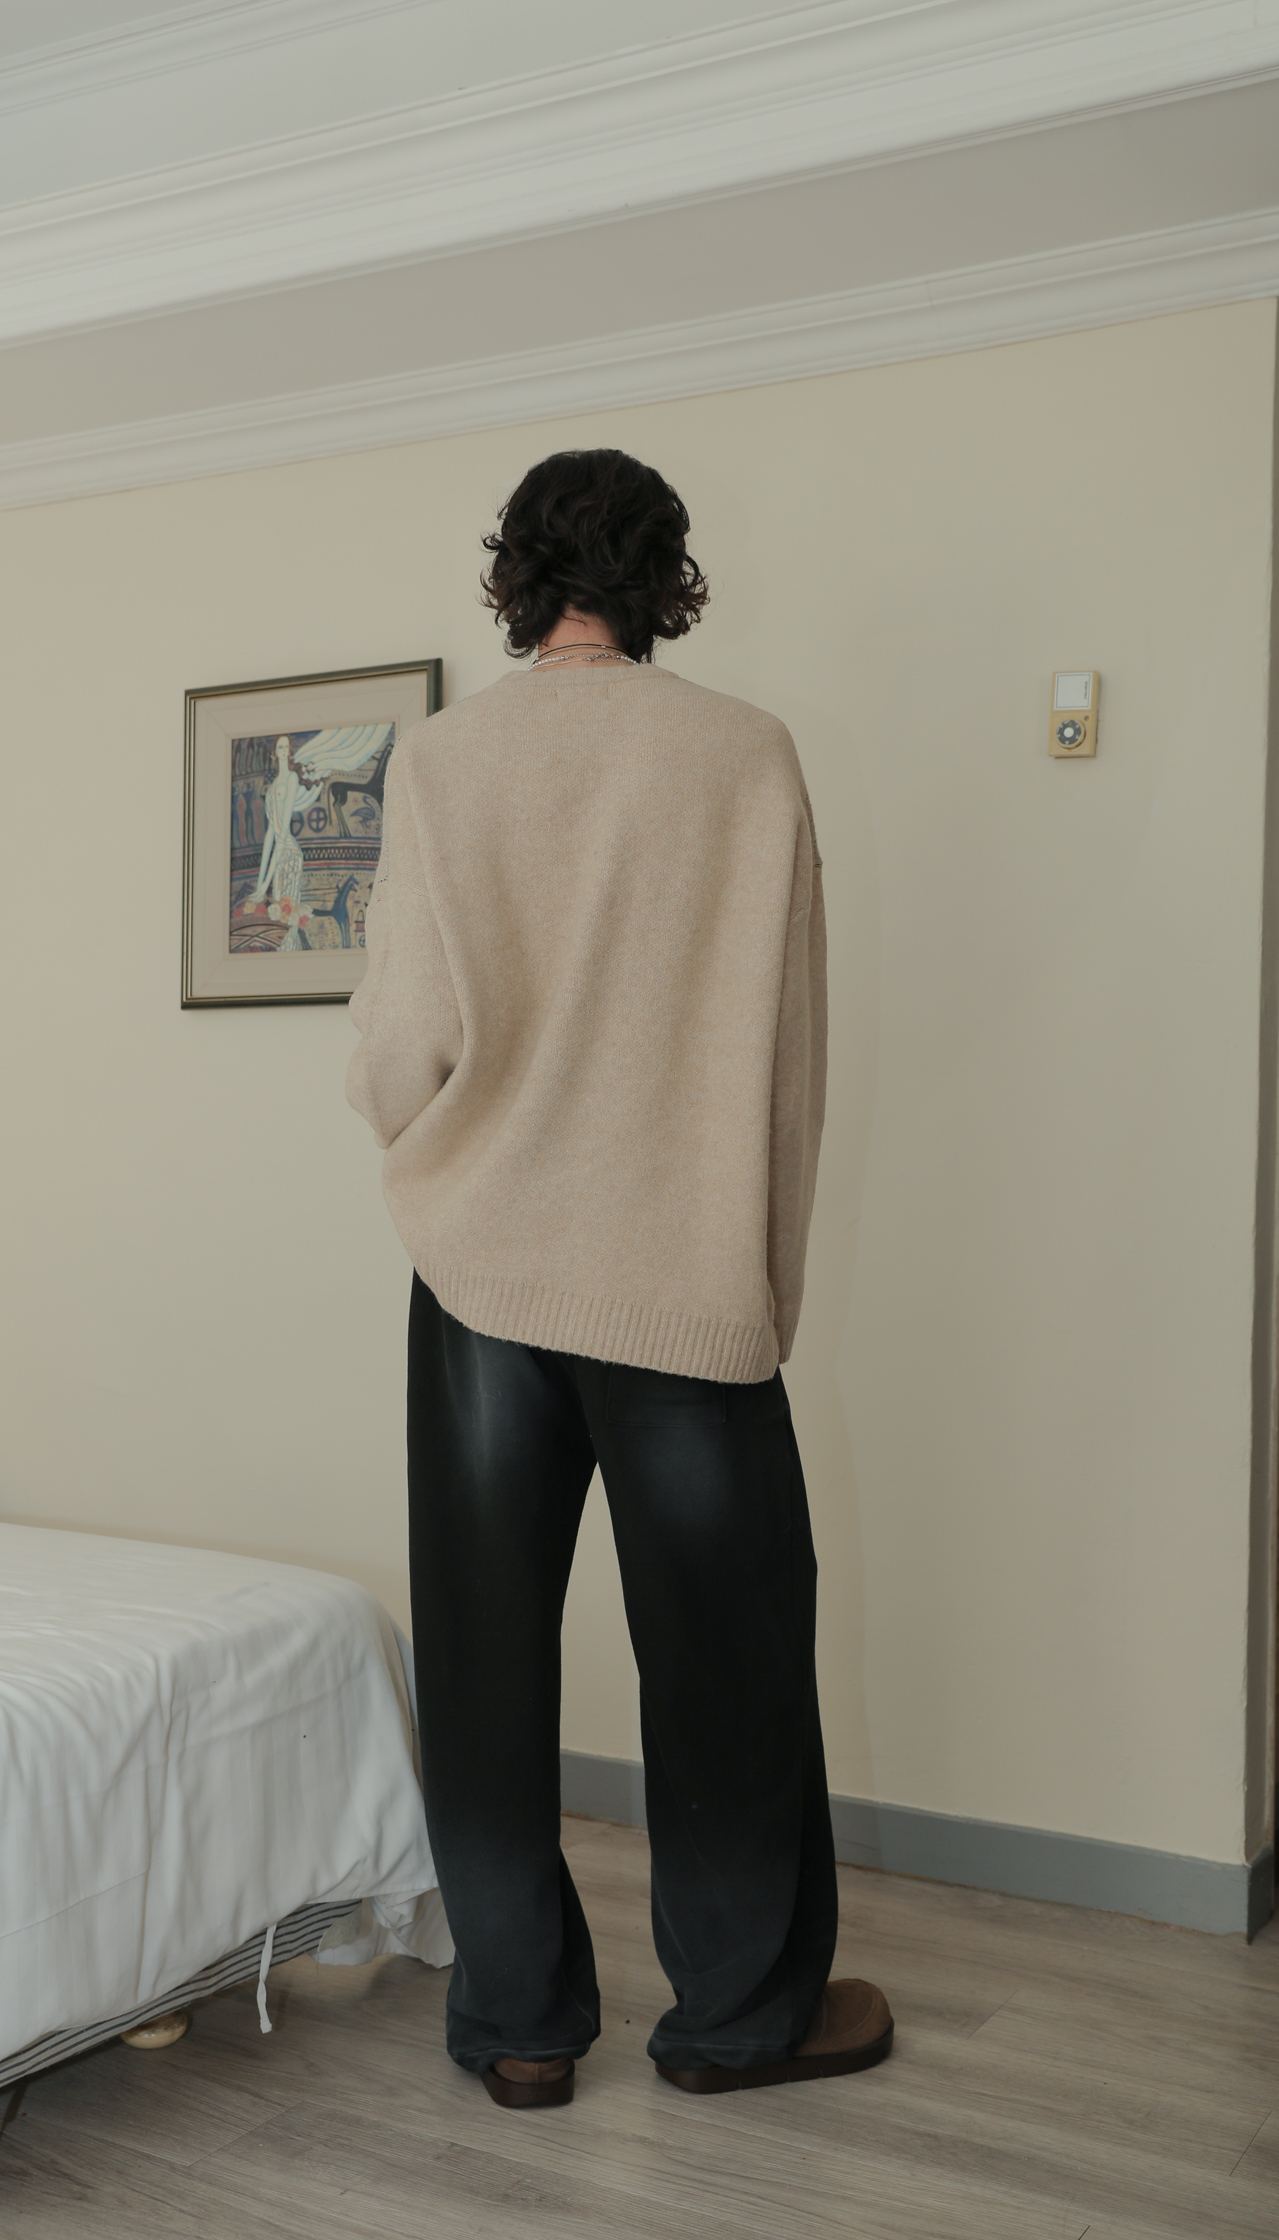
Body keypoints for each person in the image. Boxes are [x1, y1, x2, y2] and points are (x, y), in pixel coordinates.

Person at [347, 447, 892, 2108]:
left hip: (483, 1274)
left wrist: (448, 1160)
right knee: (730, 1666)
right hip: (687, 1278)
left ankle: (519, 2024)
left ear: (514, 575)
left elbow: (397, 1043)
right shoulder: (745, 753)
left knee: (486, 1663)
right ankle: (736, 2020)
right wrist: (759, 1278)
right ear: (665, 576)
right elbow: (788, 1054)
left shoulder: (443, 758)